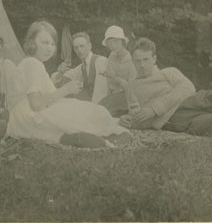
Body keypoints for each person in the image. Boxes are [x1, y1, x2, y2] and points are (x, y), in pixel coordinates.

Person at [7, 20, 132, 148]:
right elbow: (37, 104)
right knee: (90, 112)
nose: (49, 48)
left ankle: (74, 136)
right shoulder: (34, 64)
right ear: (31, 43)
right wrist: (65, 89)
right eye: (45, 43)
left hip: (21, 121)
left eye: (52, 44)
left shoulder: (28, 62)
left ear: (90, 46)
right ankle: (98, 136)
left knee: (88, 110)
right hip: (33, 115)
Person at [119, 37, 212, 136]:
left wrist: (154, 109)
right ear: (132, 61)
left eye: (146, 60)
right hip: (175, 117)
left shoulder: (169, 72)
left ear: (154, 59)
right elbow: (138, 116)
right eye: (138, 61)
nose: (142, 65)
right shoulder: (132, 87)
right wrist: (128, 121)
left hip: (192, 99)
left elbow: (188, 88)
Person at [51, 32, 108, 103]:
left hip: (104, 105)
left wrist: (93, 111)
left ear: (89, 46)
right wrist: (60, 74)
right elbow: (64, 77)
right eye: (76, 47)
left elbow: (101, 92)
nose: (79, 50)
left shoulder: (100, 61)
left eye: (82, 46)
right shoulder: (82, 66)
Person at [97, 25, 137, 117]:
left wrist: (114, 77)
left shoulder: (132, 59)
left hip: (128, 97)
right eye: (109, 43)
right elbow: (110, 83)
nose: (112, 46)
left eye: (115, 41)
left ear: (122, 41)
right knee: (100, 108)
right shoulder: (112, 57)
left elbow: (132, 87)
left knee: (102, 111)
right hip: (114, 96)